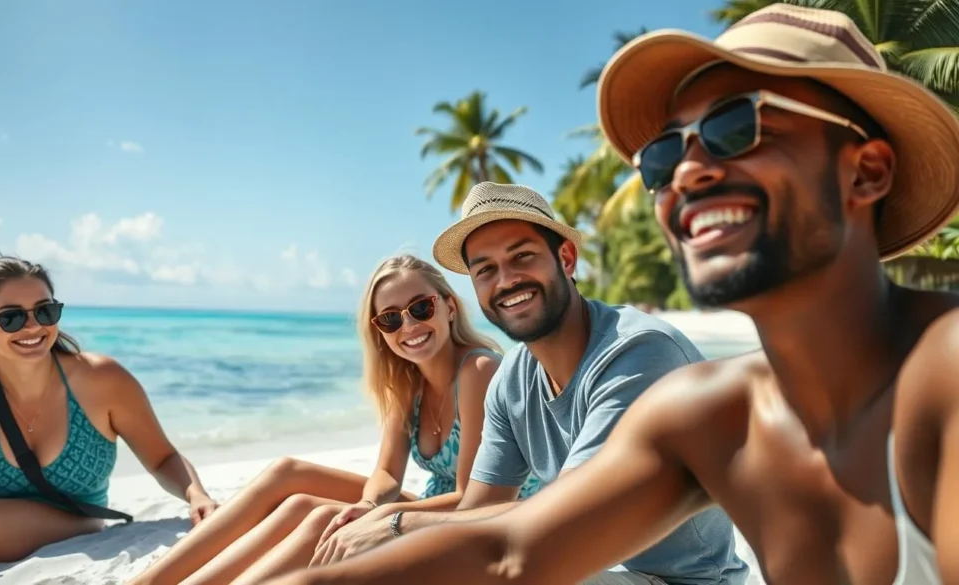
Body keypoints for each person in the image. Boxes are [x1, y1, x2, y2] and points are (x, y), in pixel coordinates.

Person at [262, 4, 959, 585]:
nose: (686, 171)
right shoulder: (712, 413)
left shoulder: (945, 376)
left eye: (734, 127)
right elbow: (509, 550)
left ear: (865, 171)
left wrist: (395, 522)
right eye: (664, 154)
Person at [300, 182, 748, 585]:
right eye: (485, 270)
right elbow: (475, 512)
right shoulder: (511, 378)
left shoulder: (637, 354)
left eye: (522, 257)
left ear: (566, 258)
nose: (506, 280)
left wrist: (397, 523)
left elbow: (564, 523)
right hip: (590, 566)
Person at [130, 253, 539, 585]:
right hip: (439, 508)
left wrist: (377, 516)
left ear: (449, 306)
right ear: (379, 329)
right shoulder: (406, 381)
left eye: (420, 307)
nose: (409, 326)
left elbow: (474, 499)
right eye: (391, 318)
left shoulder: (478, 371)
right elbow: (385, 473)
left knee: (322, 516)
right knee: (289, 476)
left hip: (495, 521)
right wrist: (367, 503)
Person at [0, 256, 217, 584]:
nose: (33, 326)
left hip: (75, 516)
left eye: (45, 310)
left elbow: (162, 456)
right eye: (11, 317)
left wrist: (196, 494)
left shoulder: (102, 379)